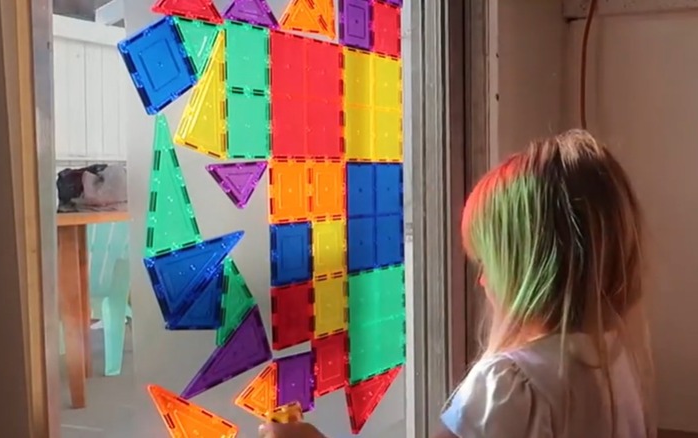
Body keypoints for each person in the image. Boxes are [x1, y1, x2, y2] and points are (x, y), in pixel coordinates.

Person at [258, 130, 656, 438]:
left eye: (486, 263)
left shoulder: (508, 386)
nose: (481, 280)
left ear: (530, 270)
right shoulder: (611, 361)